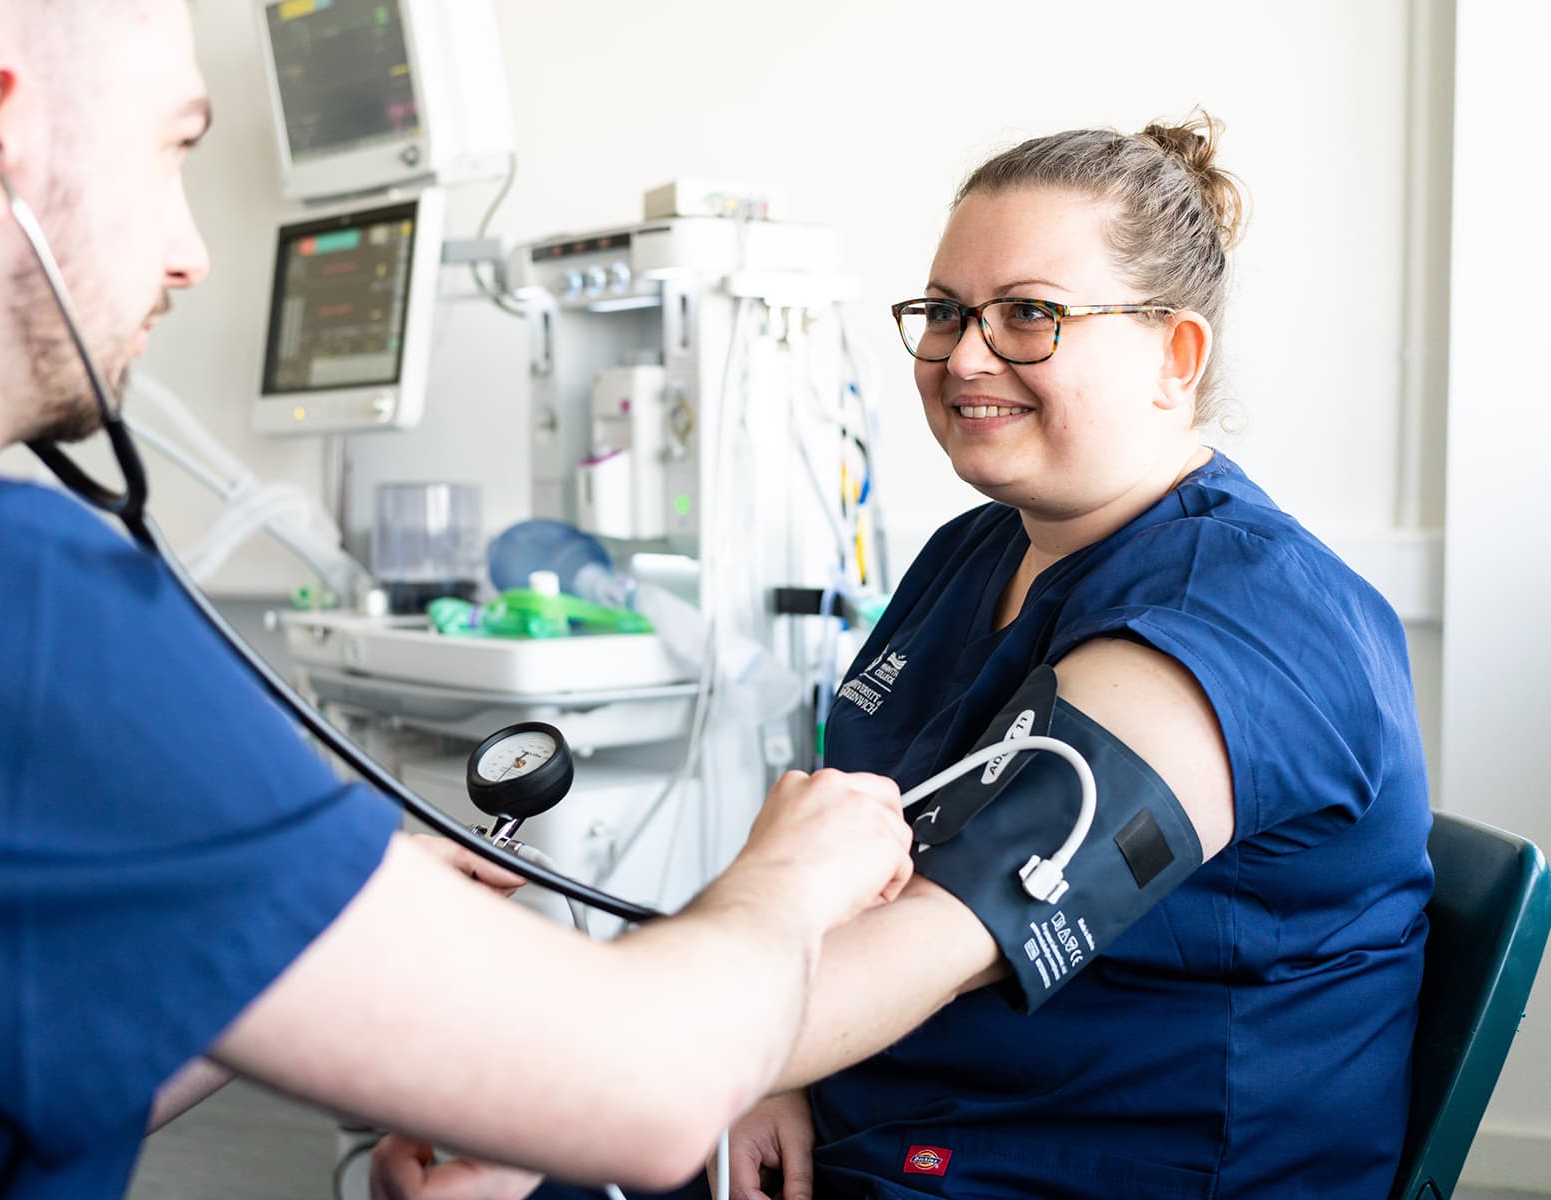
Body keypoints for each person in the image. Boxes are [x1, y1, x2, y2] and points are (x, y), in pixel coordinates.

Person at [0, 3, 922, 1197]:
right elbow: (656, 1087)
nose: (190, 251)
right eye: (177, 151)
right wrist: (790, 878)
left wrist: (295, 933)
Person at [374, 114, 1432, 1200]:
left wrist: (543, 1100)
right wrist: (769, 1075)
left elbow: (938, 936)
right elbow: (848, 876)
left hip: (1081, 1169)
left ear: (1176, 355)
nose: (966, 354)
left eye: (1029, 315)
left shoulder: (1244, 624)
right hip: (889, 1123)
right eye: (944, 312)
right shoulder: (976, 554)